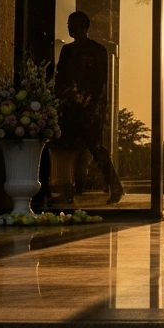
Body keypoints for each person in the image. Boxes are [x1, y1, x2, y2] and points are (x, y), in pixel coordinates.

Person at [55, 11, 123, 204]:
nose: (69, 27)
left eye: (73, 24)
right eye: (68, 23)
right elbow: (61, 77)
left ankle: (113, 184)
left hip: (90, 109)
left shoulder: (98, 50)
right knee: (67, 147)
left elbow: (99, 82)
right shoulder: (67, 50)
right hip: (69, 106)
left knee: (94, 147)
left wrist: (88, 103)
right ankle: (70, 187)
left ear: (84, 27)